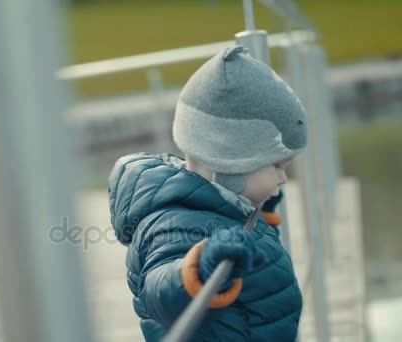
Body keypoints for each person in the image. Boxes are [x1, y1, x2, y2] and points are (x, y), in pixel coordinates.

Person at [108, 46, 308, 341]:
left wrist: (259, 215)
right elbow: (160, 292)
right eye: (277, 166)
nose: (283, 177)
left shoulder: (227, 207)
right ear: (230, 164)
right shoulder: (172, 223)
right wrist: (201, 267)